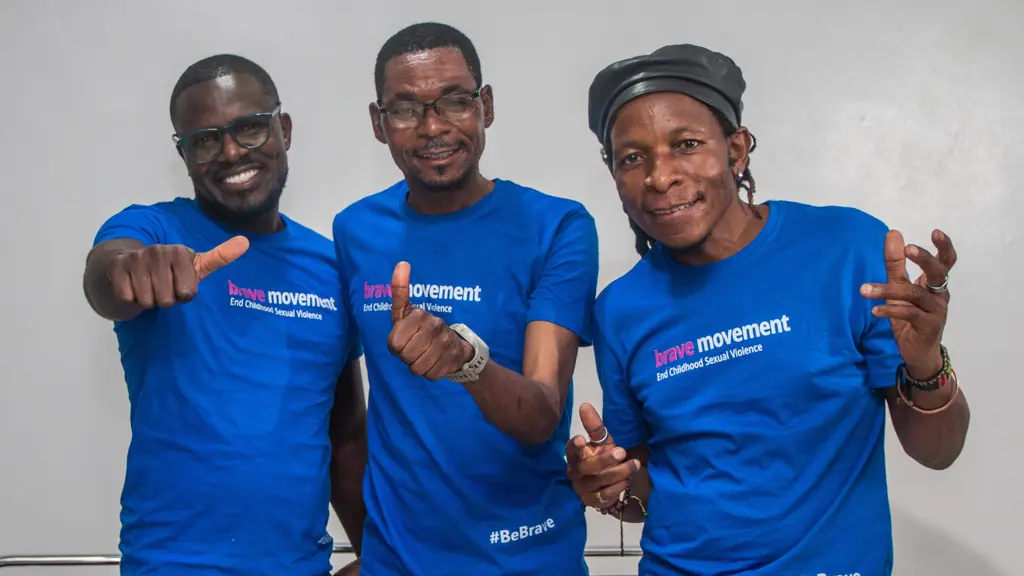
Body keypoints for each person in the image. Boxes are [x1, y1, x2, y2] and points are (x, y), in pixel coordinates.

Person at [565, 44, 971, 576]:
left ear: (737, 149)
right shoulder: (620, 310)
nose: (660, 177)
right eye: (632, 158)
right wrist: (610, 484)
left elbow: (938, 452)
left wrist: (924, 363)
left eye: (686, 145)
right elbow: (646, 495)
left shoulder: (844, 250)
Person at [331, 22, 599, 576]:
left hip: (526, 559)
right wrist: (368, 553)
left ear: (487, 107)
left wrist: (466, 362)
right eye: (405, 109)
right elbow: (344, 412)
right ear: (379, 124)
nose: (433, 127)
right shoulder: (355, 231)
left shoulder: (556, 227)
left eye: (455, 100)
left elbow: (541, 415)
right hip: (395, 562)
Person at [82, 54, 365, 576]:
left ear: (283, 129)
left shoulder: (330, 267)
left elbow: (344, 436)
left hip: (302, 565)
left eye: (250, 128)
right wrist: (131, 270)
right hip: (172, 565)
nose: (231, 152)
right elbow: (106, 278)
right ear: (185, 155)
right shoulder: (153, 230)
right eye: (205, 140)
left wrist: (379, 557)